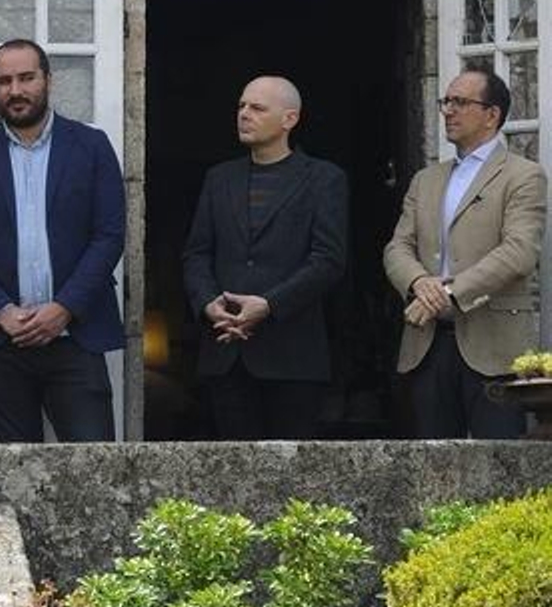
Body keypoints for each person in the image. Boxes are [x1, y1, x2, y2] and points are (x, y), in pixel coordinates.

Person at [0, 38, 126, 443]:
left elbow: (109, 236)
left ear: (48, 80)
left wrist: (64, 308)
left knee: (92, 474)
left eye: (26, 78)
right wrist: (2, 311)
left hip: (75, 338)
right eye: (4, 81)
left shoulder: (91, 147)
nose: (16, 90)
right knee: (11, 487)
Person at [384, 63, 547, 438]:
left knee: (495, 466)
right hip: (427, 345)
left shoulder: (523, 175)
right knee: (433, 467)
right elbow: (397, 247)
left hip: (492, 345)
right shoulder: (426, 179)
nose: (448, 111)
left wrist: (448, 293)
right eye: (445, 102)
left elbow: (519, 252)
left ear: (491, 115)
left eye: (460, 102)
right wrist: (419, 282)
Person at [181, 76, 348, 439]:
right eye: (241, 106)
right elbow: (197, 254)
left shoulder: (323, 179)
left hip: (292, 355)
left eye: (257, 108)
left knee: (291, 480)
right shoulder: (219, 178)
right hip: (226, 352)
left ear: (289, 119)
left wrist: (269, 305)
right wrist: (208, 304)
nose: (244, 114)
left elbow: (328, 260)